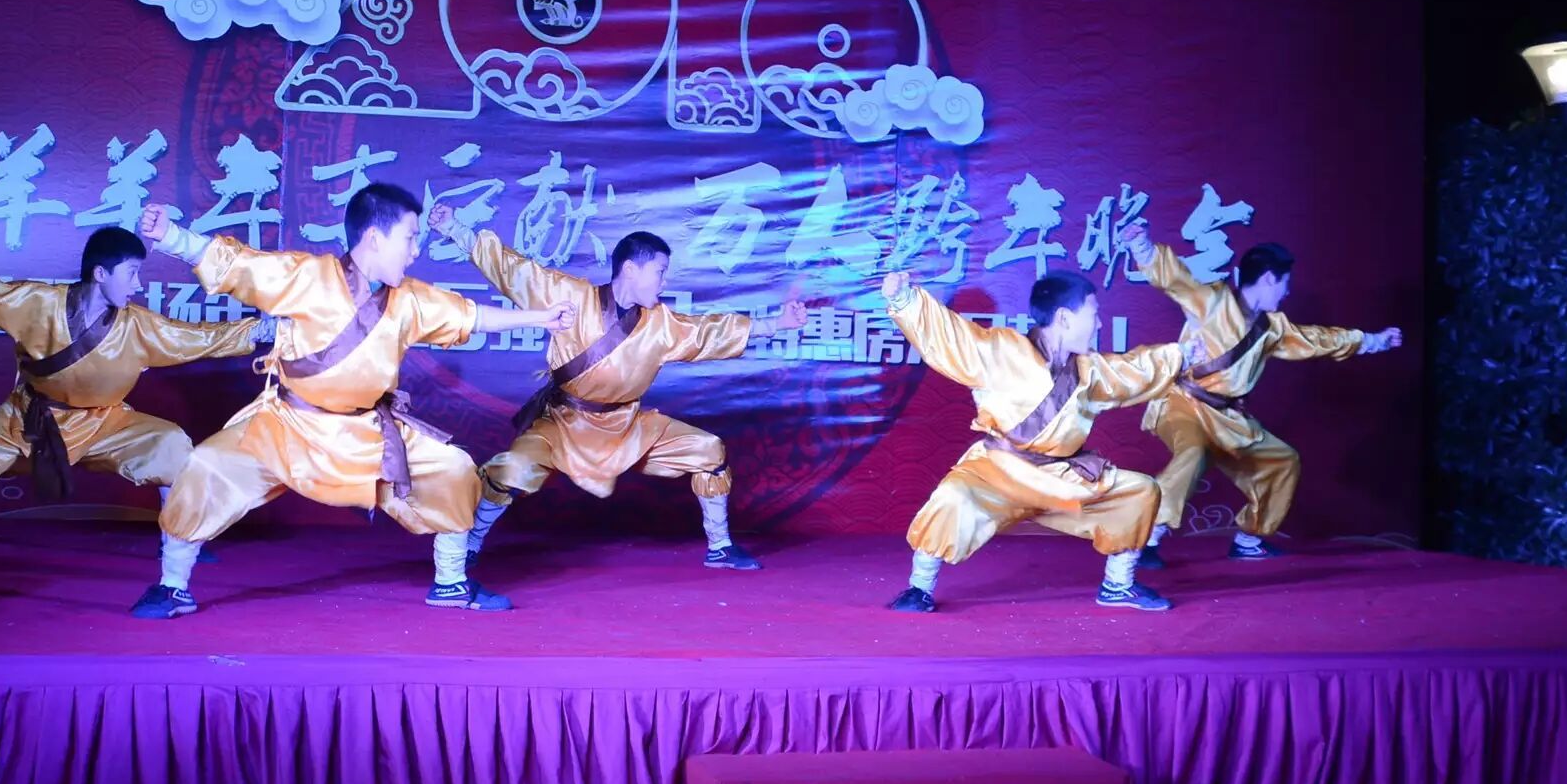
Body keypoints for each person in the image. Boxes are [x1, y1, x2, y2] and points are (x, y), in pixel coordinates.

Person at [132, 184, 572, 619]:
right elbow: (240, 266)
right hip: (287, 427)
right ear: (375, 237)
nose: (415, 250)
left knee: (453, 469)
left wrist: (541, 318)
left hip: (367, 434)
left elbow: (470, 316)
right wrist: (171, 236)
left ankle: (451, 581)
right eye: (410, 238)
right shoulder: (308, 277)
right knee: (205, 467)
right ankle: (172, 585)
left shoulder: (409, 299)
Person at [424, 205, 806, 572]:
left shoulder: (662, 325)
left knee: (708, 449)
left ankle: (720, 546)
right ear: (630, 269)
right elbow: (512, 269)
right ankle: (470, 545)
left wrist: (776, 324)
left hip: (628, 428)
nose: (664, 282)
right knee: (512, 468)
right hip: (564, 425)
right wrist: (455, 229)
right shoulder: (570, 296)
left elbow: (709, 332)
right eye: (660, 272)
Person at [0, 225, 265, 557]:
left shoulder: (138, 325)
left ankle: (178, 545)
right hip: (29, 422)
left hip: (106, 425)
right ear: (100, 273)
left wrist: (263, 330)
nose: (138, 285)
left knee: (171, 446)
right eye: (131, 273)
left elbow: (196, 338)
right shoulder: (37, 304)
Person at [879, 227, 1185, 613]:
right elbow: (950, 337)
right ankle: (919, 587)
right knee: (953, 497)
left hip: (1060, 477)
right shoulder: (1002, 350)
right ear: (1064, 318)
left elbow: (1133, 371)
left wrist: (1181, 356)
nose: (1099, 324)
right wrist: (905, 300)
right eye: (1093, 314)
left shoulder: (1089, 369)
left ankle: (1118, 584)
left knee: (1140, 490)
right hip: (998, 471)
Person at [1122, 236, 1402, 565]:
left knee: (1282, 462)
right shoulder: (1212, 301)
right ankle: (1147, 539)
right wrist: (1141, 247)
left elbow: (1317, 339)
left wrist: (1372, 341)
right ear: (1269, 278)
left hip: (1228, 418)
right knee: (1193, 452)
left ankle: (1248, 539)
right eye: (1285, 283)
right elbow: (1174, 277)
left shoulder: (1272, 328)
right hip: (1183, 404)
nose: (1287, 292)